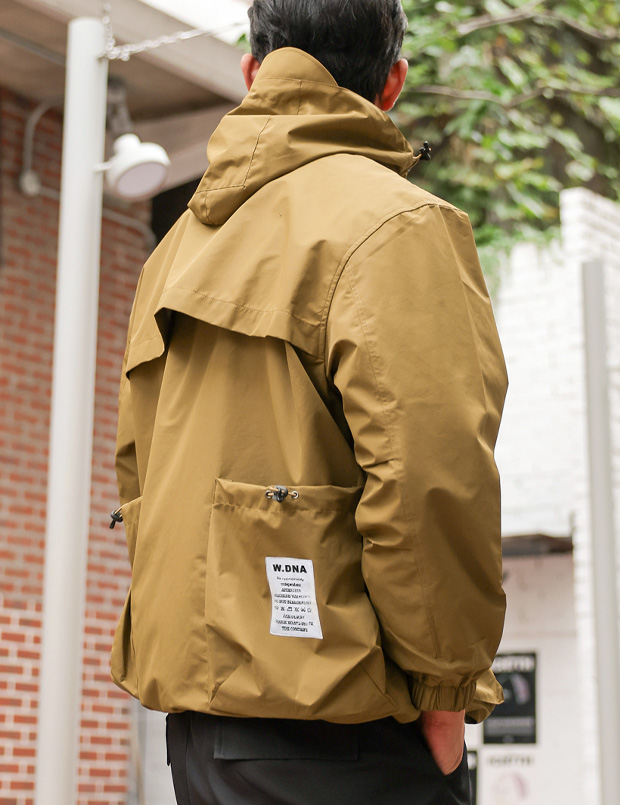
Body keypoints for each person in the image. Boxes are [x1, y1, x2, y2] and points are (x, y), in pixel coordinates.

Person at [110, 1, 508, 802]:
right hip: (348, 728)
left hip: (203, 736)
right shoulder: (397, 223)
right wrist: (445, 691)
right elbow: (430, 477)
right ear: (392, 83)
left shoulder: (177, 248)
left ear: (252, 74)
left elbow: (138, 472)